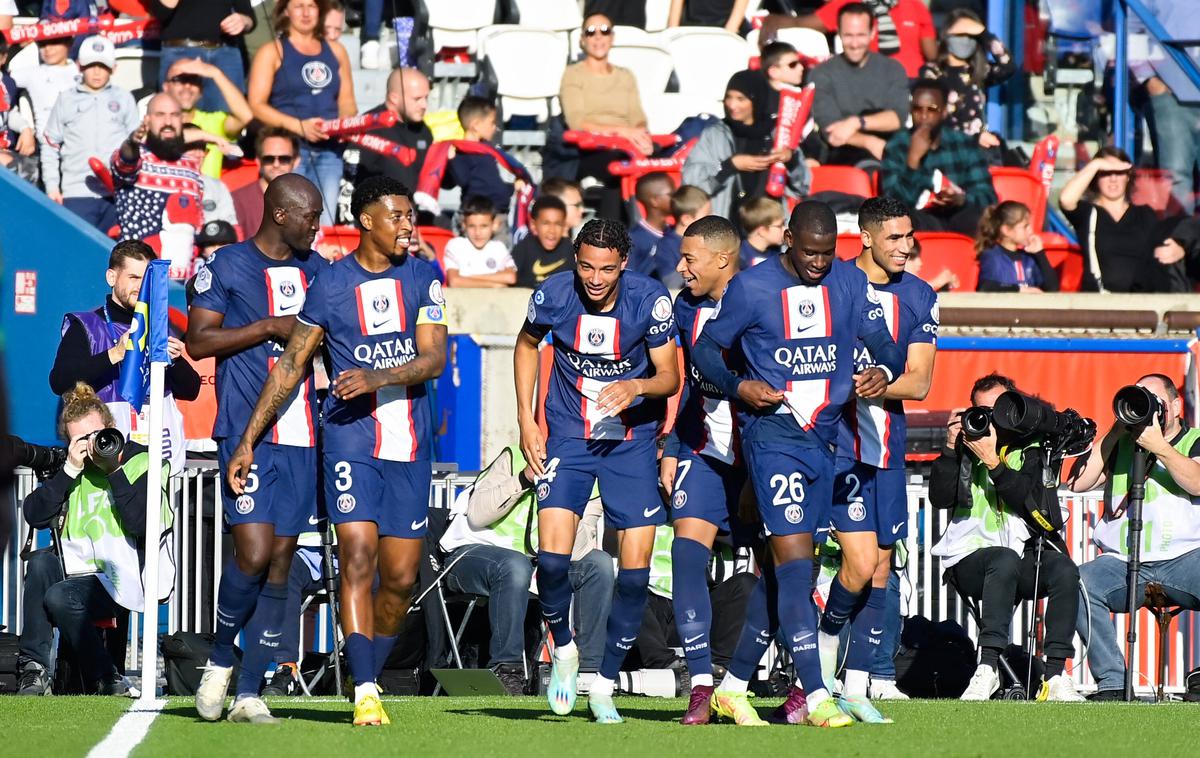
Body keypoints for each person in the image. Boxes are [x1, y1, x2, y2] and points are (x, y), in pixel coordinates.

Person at [226, 175, 448, 727]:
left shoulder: (425, 276)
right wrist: (248, 440)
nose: (407, 225)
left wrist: (375, 376)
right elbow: (290, 364)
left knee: (400, 578)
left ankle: (369, 663)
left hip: (411, 444)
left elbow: (433, 360)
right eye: (396, 216)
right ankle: (366, 689)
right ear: (366, 220)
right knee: (356, 557)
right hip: (350, 441)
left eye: (409, 215)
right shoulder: (328, 285)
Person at [689, 201, 905, 727]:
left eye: (828, 253)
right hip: (773, 439)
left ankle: (734, 688)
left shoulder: (849, 285)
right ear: (788, 238)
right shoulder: (752, 288)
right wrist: (739, 385)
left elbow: (888, 349)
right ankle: (814, 693)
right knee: (795, 564)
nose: (818, 262)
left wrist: (881, 371)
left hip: (829, 443)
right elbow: (704, 351)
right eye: (810, 252)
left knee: (785, 573)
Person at [514, 217, 679, 723]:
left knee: (633, 576)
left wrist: (636, 387)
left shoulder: (649, 302)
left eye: (607, 268)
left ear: (623, 264)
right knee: (553, 562)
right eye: (586, 265)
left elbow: (670, 375)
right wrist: (526, 419)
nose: (595, 278)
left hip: (631, 443)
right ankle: (563, 650)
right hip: (569, 435)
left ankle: (603, 682)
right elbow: (526, 345)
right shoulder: (553, 296)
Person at [186, 174, 327, 724]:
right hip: (244, 433)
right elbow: (199, 341)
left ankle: (250, 692)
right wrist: (268, 326)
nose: (317, 225)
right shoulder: (226, 267)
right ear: (282, 214)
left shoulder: (317, 270)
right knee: (251, 551)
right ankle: (221, 656)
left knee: (281, 562)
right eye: (310, 216)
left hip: (302, 437)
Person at [816, 196, 938, 722]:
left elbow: (921, 379)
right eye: (893, 237)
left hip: (884, 446)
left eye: (908, 236)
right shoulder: (830, 283)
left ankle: (863, 680)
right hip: (825, 448)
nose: (904, 247)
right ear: (865, 238)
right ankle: (812, 666)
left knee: (881, 562)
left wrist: (882, 381)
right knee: (815, 559)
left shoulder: (920, 295)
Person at [929, 373, 1084, 702]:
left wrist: (994, 462)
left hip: (1016, 557)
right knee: (1002, 558)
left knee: (1063, 569)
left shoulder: (1029, 450)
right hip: (968, 557)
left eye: (998, 409)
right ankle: (987, 669)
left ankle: (1055, 675)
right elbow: (940, 499)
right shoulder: (963, 447)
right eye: (981, 410)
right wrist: (949, 449)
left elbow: (1028, 502)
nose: (989, 419)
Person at [16, 382, 169, 697]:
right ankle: (34, 669)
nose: (90, 445)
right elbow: (35, 515)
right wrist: (69, 469)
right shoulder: (71, 467)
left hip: (121, 573)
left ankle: (105, 676)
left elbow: (141, 523)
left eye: (95, 435)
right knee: (42, 562)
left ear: (111, 429)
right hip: (75, 569)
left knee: (59, 596)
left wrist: (113, 470)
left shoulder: (143, 461)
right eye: (80, 440)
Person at [657, 215, 750, 724]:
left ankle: (797, 683)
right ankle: (699, 685)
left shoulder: (761, 300)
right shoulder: (683, 306)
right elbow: (691, 382)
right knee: (687, 556)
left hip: (761, 458)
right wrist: (672, 443)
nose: (680, 267)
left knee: (784, 571)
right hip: (702, 451)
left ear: (722, 259)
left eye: (689, 258)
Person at [439, 446, 614, 694]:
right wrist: (523, 479)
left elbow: (577, 552)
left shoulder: (592, 483)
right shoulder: (514, 457)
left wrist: (563, 503)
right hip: (471, 554)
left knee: (599, 564)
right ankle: (507, 669)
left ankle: (587, 672)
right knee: (514, 565)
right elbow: (477, 515)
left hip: (534, 563)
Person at [1069, 373, 1200, 700]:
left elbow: (1197, 483)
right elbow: (1077, 482)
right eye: (1140, 400)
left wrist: (1160, 448)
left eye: (1155, 402)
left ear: (1175, 405)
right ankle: (1113, 683)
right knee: (1077, 582)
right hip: (1124, 562)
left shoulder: (1194, 439)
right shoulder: (1120, 443)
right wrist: (1115, 432)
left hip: (1186, 559)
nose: (1149, 409)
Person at [49, 240, 200, 474]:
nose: (140, 287)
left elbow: (191, 390)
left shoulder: (158, 328)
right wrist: (114, 354)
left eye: (145, 279)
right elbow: (60, 381)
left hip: (157, 462)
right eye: (133, 277)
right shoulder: (86, 325)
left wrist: (177, 361)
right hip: (104, 463)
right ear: (112, 277)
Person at [248, 0, 357, 225]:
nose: (306, 13)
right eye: (299, 6)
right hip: (291, 151)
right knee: (292, 220)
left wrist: (344, 123)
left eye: (312, 6)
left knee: (323, 221)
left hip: (330, 150)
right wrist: (299, 126)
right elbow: (256, 104)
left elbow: (347, 102)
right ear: (286, 10)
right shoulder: (272, 51)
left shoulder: (336, 50)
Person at [544, 13, 651, 217]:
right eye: (591, 32)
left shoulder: (625, 76)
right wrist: (623, 133)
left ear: (612, 37)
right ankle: (611, 236)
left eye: (604, 31)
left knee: (656, 167)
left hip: (626, 146)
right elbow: (577, 122)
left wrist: (640, 136)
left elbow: (637, 117)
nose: (598, 37)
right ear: (583, 40)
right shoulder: (574, 74)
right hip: (587, 150)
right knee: (617, 168)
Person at [1058, 146, 1192, 293]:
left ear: (1128, 176)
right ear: (1096, 177)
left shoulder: (1145, 215)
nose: (1113, 179)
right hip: (1099, 305)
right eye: (1106, 173)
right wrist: (1096, 164)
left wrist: (1179, 250)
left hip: (1141, 305)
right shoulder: (1088, 214)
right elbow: (1066, 199)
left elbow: (1161, 248)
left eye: (1119, 172)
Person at [631, 525, 757, 680]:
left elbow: (747, 535)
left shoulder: (705, 511)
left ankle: (717, 669)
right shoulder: (643, 509)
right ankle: (668, 668)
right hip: (652, 607)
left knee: (747, 583)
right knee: (627, 588)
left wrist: (705, 527)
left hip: (699, 606)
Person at [41, 36, 139, 232]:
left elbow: (137, 147)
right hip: (76, 193)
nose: (96, 72)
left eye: (103, 66)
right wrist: (52, 187)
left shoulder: (124, 98)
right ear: (79, 66)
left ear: (113, 68)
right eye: (90, 65)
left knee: (114, 257)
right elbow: (50, 144)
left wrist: (133, 190)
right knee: (75, 254)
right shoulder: (66, 99)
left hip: (116, 193)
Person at [682, 70, 808, 221]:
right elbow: (691, 181)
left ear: (756, 100)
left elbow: (802, 186)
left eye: (740, 99)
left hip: (769, 230)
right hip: (727, 229)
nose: (732, 105)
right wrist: (729, 166)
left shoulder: (779, 133)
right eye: (728, 97)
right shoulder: (715, 134)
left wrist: (791, 160)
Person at [880, 79, 996, 235]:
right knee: (904, 222)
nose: (924, 116)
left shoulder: (963, 144)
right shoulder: (897, 146)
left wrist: (961, 199)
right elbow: (892, 206)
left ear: (944, 112)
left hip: (960, 216)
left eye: (932, 109)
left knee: (979, 220)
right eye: (917, 109)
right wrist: (913, 161)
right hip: (921, 220)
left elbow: (987, 197)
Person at [111, 94, 205, 278]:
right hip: (139, 280)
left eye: (175, 115)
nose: (168, 121)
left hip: (182, 282)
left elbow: (197, 224)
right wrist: (132, 142)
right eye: (160, 114)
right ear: (147, 120)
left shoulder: (192, 166)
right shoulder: (138, 157)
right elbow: (125, 160)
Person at [808, 3, 909, 167]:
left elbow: (897, 118)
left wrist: (855, 122)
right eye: (848, 35)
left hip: (889, 146)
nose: (854, 44)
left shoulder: (893, 69)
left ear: (872, 33)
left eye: (861, 35)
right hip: (845, 152)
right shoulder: (822, 74)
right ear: (839, 33)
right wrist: (869, 142)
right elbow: (831, 131)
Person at [1129, 0, 1200, 214]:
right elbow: (1131, 25)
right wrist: (1148, 78)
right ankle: (1179, 243)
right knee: (1175, 177)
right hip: (1170, 94)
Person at [760, 0, 936, 78]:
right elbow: (802, 23)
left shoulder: (915, 6)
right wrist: (771, 21)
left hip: (912, 82)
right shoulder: (849, 5)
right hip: (870, 81)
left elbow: (932, 54)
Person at [917, 9, 1015, 150]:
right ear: (947, 36)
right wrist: (975, 137)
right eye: (960, 35)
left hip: (977, 155)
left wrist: (984, 34)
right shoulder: (932, 73)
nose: (965, 40)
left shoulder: (978, 71)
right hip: (948, 152)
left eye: (970, 36)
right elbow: (932, 119)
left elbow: (1008, 66)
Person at [150, 0, 255, 114]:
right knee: (177, 117)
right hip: (181, 51)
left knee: (228, 117)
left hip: (225, 53)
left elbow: (249, 17)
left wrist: (242, 21)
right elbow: (161, 12)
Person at [160, 56, 255, 178]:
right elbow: (161, 140)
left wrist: (216, 74)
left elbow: (245, 116)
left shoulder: (213, 122)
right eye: (181, 79)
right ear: (166, 87)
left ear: (201, 91)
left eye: (194, 80)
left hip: (208, 195)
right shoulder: (156, 122)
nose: (187, 86)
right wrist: (206, 136)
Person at [356, 67, 432, 196]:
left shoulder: (423, 131)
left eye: (426, 98)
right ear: (394, 98)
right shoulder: (370, 127)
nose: (424, 105)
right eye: (417, 99)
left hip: (413, 209)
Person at [10, 35, 78, 163]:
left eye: (53, 43)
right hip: (46, 150)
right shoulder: (31, 73)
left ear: (69, 43)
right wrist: (16, 46)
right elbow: (4, 79)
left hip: (79, 147)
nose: (47, 49)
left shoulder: (83, 72)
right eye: (42, 44)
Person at [447, 96, 517, 218]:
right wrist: (452, 159)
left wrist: (512, 187)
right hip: (476, 217)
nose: (495, 127)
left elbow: (491, 183)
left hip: (499, 213)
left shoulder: (486, 148)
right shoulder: (462, 151)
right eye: (492, 123)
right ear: (476, 125)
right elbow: (462, 179)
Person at [976, 201, 1059, 293]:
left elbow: (1053, 289)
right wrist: (1020, 290)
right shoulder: (993, 255)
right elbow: (987, 286)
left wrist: (1040, 253)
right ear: (1006, 230)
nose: (1031, 231)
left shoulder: (1028, 258)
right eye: (1025, 226)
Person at [232, 127, 301, 237]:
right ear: (258, 162)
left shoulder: (306, 200)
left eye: (284, 159)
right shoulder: (238, 200)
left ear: (296, 162)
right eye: (269, 159)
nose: (276, 164)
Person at [443, 196, 517, 288]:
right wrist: (494, 284)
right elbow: (454, 281)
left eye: (484, 226)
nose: (477, 233)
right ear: (464, 225)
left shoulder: (498, 248)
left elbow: (510, 277)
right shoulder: (456, 246)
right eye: (472, 226)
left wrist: (468, 277)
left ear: (494, 225)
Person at [628, 172, 683, 287]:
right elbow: (628, 278)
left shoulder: (675, 233)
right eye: (672, 194)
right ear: (655, 201)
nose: (677, 199)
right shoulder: (634, 239)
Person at [512, 196, 573, 288]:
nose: (552, 231)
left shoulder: (571, 250)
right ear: (533, 225)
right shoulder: (524, 248)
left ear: (564, 226)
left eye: (558, 224)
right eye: (546, 223)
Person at [737, 195, 785, 268]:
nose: (785, 229)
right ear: (762, 231)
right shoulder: (738, 257)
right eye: (780, 226)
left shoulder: (776, 256)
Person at [668, 0, 749, 33]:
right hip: (691, 29)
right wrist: (672, 32)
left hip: (726, 28)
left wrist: (728, 35)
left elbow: (739, 9)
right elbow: (676, 5)